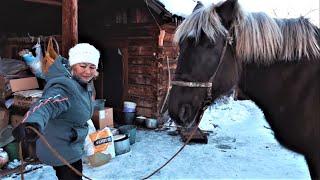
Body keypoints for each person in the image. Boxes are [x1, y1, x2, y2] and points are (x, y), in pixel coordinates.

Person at [12, 43, 100, 180]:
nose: (88, 71)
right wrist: (32, 123)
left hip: (70, 143)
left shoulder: (81, 81)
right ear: (72, 65)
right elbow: (47, 104)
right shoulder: (64, 87)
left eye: (92, 67)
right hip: (61, 148)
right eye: (83, 66)